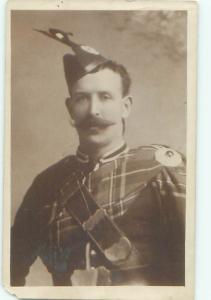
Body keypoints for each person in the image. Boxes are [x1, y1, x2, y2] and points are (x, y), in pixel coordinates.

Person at [11, 29, 186, 286]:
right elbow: (4, 274)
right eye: (82, 99)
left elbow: (200, 267)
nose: (94, 111)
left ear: (125, 106)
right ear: (70, 109)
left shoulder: (161, 171)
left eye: (105, 97)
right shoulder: (46, 186)